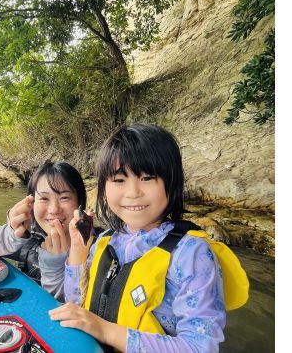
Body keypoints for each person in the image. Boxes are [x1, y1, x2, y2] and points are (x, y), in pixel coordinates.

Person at [49, 124, 248, 352]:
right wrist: (77, 247)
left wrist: (104, 330)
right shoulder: (105, 240)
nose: (133, 192)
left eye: (147, 177)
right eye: (119, 179)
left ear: (171, 181)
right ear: (104, 187)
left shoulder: (191, 253)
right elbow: (75, 307)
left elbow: (199, 347)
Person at [0, 161, 89, 302]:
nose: (54, 209)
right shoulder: (30, 242)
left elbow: (72, 306)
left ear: (80, 202)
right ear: (31, 203)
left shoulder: (97, 248)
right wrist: (10, 235)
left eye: (64, 198)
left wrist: (53, 265)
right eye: (43, 198)